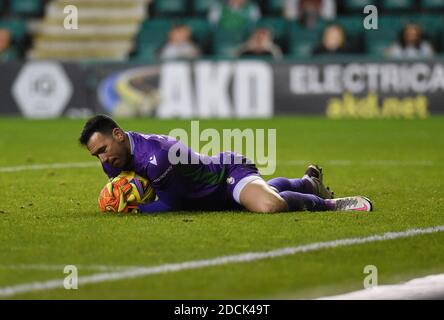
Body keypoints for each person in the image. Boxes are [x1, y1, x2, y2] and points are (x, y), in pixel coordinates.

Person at [79, 115, 373, 213]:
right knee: (262, 195)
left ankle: (328, 205)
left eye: (103, 150)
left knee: (270, 206)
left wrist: (136, 208)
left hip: (225, 176)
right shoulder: (112, 158)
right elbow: (131, 184)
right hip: (205, 196)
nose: (103, 159)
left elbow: (174, 203)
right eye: (97, 156)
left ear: (117, 135)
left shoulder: (158, 154)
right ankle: (308, 182)